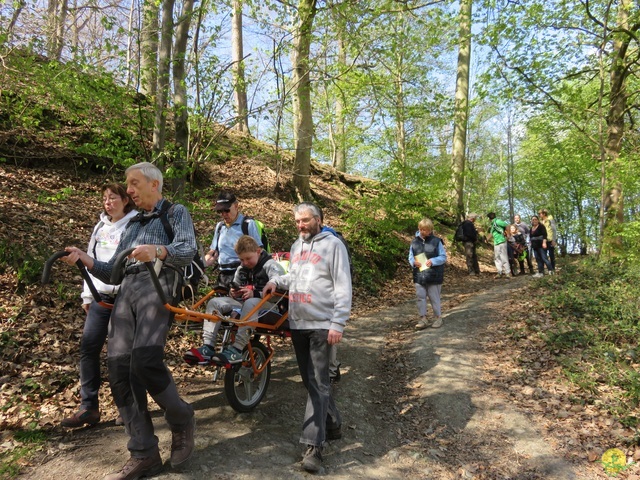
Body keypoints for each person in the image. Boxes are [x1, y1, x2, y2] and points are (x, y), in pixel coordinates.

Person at [61, 162, 197, 480]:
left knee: (145, 360)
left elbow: (188, 248)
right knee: (119, 366)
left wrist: (158, 250)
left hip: (159, 283)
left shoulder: (176, 212)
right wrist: (86, 258)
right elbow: (112, 270)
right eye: (128, 184)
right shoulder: (134, 224)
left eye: (134, 183)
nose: (130, 190)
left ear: (154, 184)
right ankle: (144, 453)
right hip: (128, 289)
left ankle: (181, 417)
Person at [263, 202, 351, 473]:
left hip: (323, 323)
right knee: (311, 380)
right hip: (298, 322)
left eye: (305, 221)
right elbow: (297, 277)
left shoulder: (333, 245)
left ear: (319, 219)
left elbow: (343, 284)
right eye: (297, 221)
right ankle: (333, 422)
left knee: (319, 382)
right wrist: (277, 282)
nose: (301, 225)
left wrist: (338, 322)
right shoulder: (296, 246)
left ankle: (314, 447)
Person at [61, 183, 138, 429]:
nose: (107, 202)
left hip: (124, 298)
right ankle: (89, 407)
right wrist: (87, 296)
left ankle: (127, 407)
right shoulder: (100, 226)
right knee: (89, 348)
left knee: (123, 355)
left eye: (113, 197)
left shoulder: (135, 224)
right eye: (104, 198)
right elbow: (90, 262)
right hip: (99, 297)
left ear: (126, 200)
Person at [185, 235, 285, 364]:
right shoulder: (241, 268)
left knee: (250, 302)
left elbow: (281, 291)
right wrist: (233, 293)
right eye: (241, 259)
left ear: (258, 251)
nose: (245, 263)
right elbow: (235, 289)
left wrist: (255, 293)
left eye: (248, 258)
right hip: (244, 303)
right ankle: (208, 346)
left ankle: (237, 349)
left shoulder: (271, 266)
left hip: (271, 305)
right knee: (214, 302)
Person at [204, 191, 263, 289]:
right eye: (220, 211)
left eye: (226, 210)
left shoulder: (248, 224)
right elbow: (213, 252)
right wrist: (202, 265)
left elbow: (259, 251)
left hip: (243, 274)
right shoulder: (220, 227)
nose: (223, 214)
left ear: (236, 206)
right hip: (223, 275)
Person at [409, 218, 447, 329]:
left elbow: (443, 257)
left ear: (430, 230)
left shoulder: (437, 241)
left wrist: (433, 261)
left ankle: (438, 318)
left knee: (434, 297)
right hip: (419, 274)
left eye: (426, 230)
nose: (423, 232)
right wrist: (413, 262)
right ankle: (423, 319)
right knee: (420, 297)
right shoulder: (414, 242)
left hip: (434, 274)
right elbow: (410, 256)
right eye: (421, 229)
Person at [487, 212, 511, 278]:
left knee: (504, 257)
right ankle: (499, 272)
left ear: (489, 218)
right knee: (497, 258)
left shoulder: (498, 221)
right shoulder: (493, 224)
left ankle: (507, 272)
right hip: (496, 242)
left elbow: (507, 225)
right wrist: (486, 240)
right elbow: (491, 234)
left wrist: (508, 234)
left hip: (502, 241)